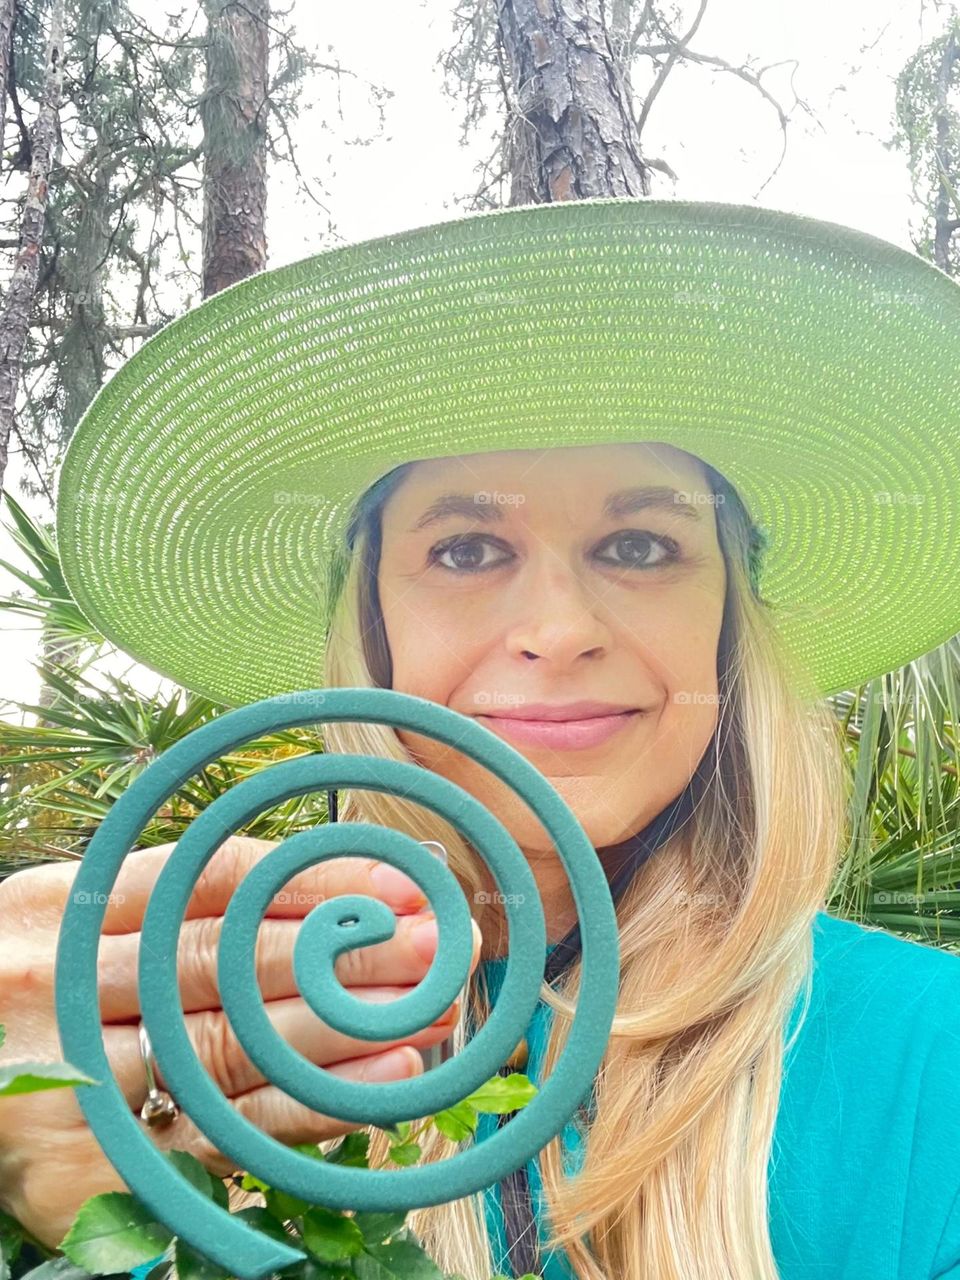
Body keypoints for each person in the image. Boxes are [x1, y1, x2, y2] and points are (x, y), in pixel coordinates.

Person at [2, 197, 960, 1280]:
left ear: (729, 621)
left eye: (641, 544)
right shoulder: (183, 1045)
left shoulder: (934, 1055)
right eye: (464, 549)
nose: (559, 628)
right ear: (374, 624)